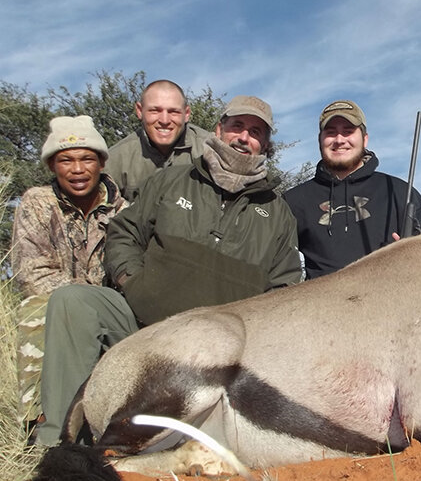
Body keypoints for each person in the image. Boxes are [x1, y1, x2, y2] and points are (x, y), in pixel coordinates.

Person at [36, 95, 302, 445]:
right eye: (237, 126)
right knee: (73, 302)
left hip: (217, 358)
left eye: (256, 132)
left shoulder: (278, 213)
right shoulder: (171, 181)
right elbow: (124, 233)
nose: (244, 137)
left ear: (265, 144)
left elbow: (284, 290)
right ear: (219, 129)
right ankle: (58, 445)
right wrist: (131, 280)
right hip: (141, 327)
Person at [11, 115, 127, 431]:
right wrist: (81, 298)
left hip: (108, 307)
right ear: (52, 166)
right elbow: (33, 275)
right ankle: (40, 421)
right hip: (56, 303)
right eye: (66, 160)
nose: (77, 169)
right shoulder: (37, 202)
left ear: (102, 162)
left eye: (87, 159)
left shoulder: (124, 210)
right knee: (35, 311)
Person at [284, 99, 421, 279]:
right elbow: (277, 265)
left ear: (365, 139)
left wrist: (416, 252)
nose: (339, 140)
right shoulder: (293, 201)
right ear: (320, 139)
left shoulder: (400, 192)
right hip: (320, 305)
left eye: (348, 131)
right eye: (331, 133)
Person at [104, 79, 211, 201]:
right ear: (139, 111)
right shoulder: (116, 159)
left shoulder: (209, 150)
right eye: (155, 111)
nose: (164, 120)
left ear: (186, 114)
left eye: (173, 112)